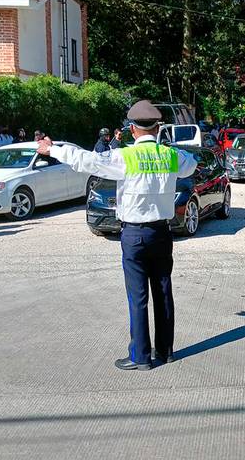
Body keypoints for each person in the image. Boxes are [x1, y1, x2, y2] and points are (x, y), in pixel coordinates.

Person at [36, 100, 197, 370]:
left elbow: (88, 160)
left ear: (132, 129)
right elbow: (190, 164)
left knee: (138, 297)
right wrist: (168, 148)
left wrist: (53, 149)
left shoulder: (125, 157)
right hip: (162, 232)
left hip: (134, 235)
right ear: (158, 128)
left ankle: (141, 357)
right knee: (163, 291)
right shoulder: (171, 156)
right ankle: (166, 351)